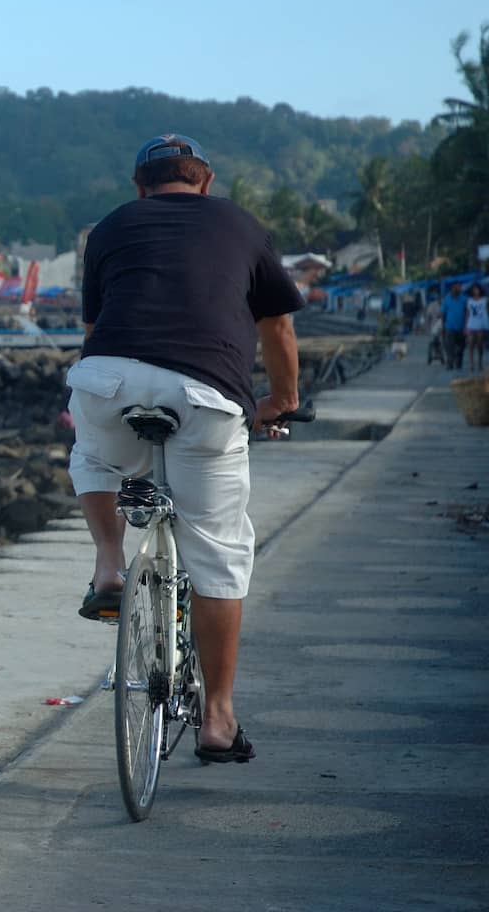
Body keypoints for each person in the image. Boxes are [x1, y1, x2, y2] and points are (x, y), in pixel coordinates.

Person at [69, 133, 303, 765]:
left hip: (109, 380)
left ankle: (110, 565)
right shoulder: (240, 223)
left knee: (94, 455)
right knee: (220, 553)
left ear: (140, 187)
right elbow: (276, 325)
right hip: (205, 396)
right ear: (206, 180)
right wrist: (281, 400)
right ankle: (219, 722)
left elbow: (95, 329)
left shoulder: (113, 227)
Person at [465, 283, 489, 370]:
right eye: (474, 289)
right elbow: (468, 313)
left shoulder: (484, 300)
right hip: (471, 324)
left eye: (477, 289)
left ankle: (480, 362)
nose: (476, 291)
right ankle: (471, 364)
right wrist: (465, 326)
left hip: (481, 324)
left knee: (480, 343)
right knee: (470, 342)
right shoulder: (469, 301)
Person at [442, 283, 468, 369]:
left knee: (461, 347)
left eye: (460, 287)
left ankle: (459, 363)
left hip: (462, 327)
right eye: (457, 287)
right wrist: (443, 327)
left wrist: (466, 326)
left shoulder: (464, 299)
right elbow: (443, 314)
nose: (459, 289)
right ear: (452, 288)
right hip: (449, 327)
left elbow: (467, 313)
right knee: (449, 347)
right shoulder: (447, 299)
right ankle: (450, 363)